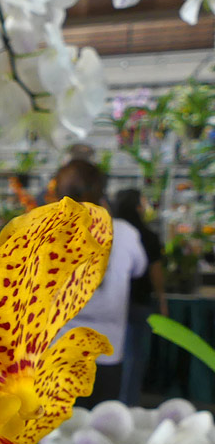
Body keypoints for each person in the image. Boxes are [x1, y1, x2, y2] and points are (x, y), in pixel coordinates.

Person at [52, 160, 148, 407]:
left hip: (56, 348)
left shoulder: (47, 228)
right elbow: (139, 269)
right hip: (107, 349)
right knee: (101, 419)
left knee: (55, 422)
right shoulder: (124, 232)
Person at [113, 189, 167, 405]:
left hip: (113, 303)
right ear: (137, 207)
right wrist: (162, 299)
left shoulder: (109, 232)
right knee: (134, 357)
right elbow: (155, 271)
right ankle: (128, 404)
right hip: (139, 301)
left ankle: (107, 402)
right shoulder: (148, 236)